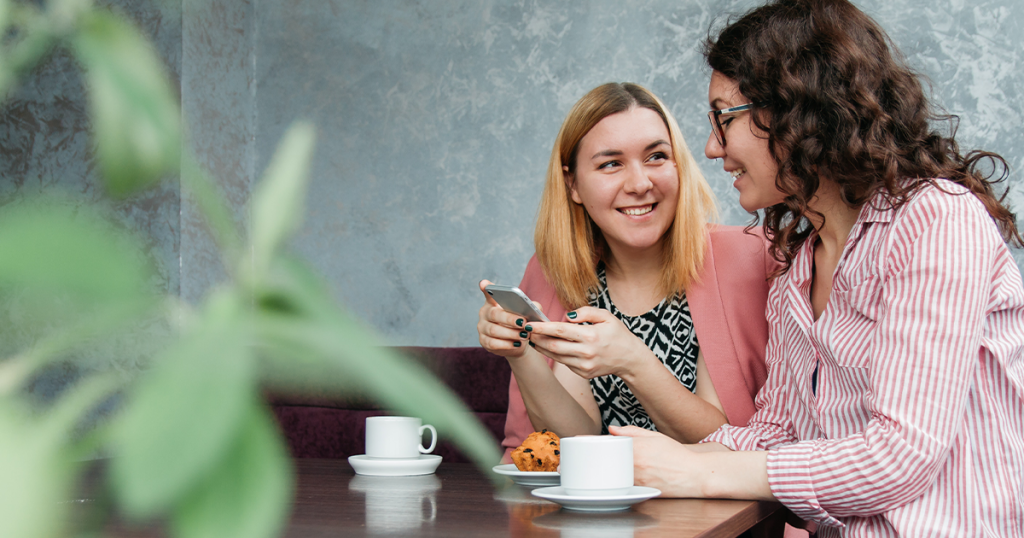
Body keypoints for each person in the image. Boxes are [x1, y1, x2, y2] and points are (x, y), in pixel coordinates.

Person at [612, 1, 1024, 537]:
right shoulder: (798, 269)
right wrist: (646, 456)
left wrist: (702, 470)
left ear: (796, 109)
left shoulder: (935, 219)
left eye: (723, 118)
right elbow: (775, 436)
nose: (713, 148)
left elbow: (899, 455)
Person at [476, 82, 778, 460]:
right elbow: (574, 441)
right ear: (573, 185)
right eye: (610, 164)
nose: (640, 183)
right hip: (594, 514)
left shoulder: (747, 258)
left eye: (656, 157)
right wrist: (521, 355)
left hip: (716, 514)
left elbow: (724, 446)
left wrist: (632, 360)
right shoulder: (552, 273)